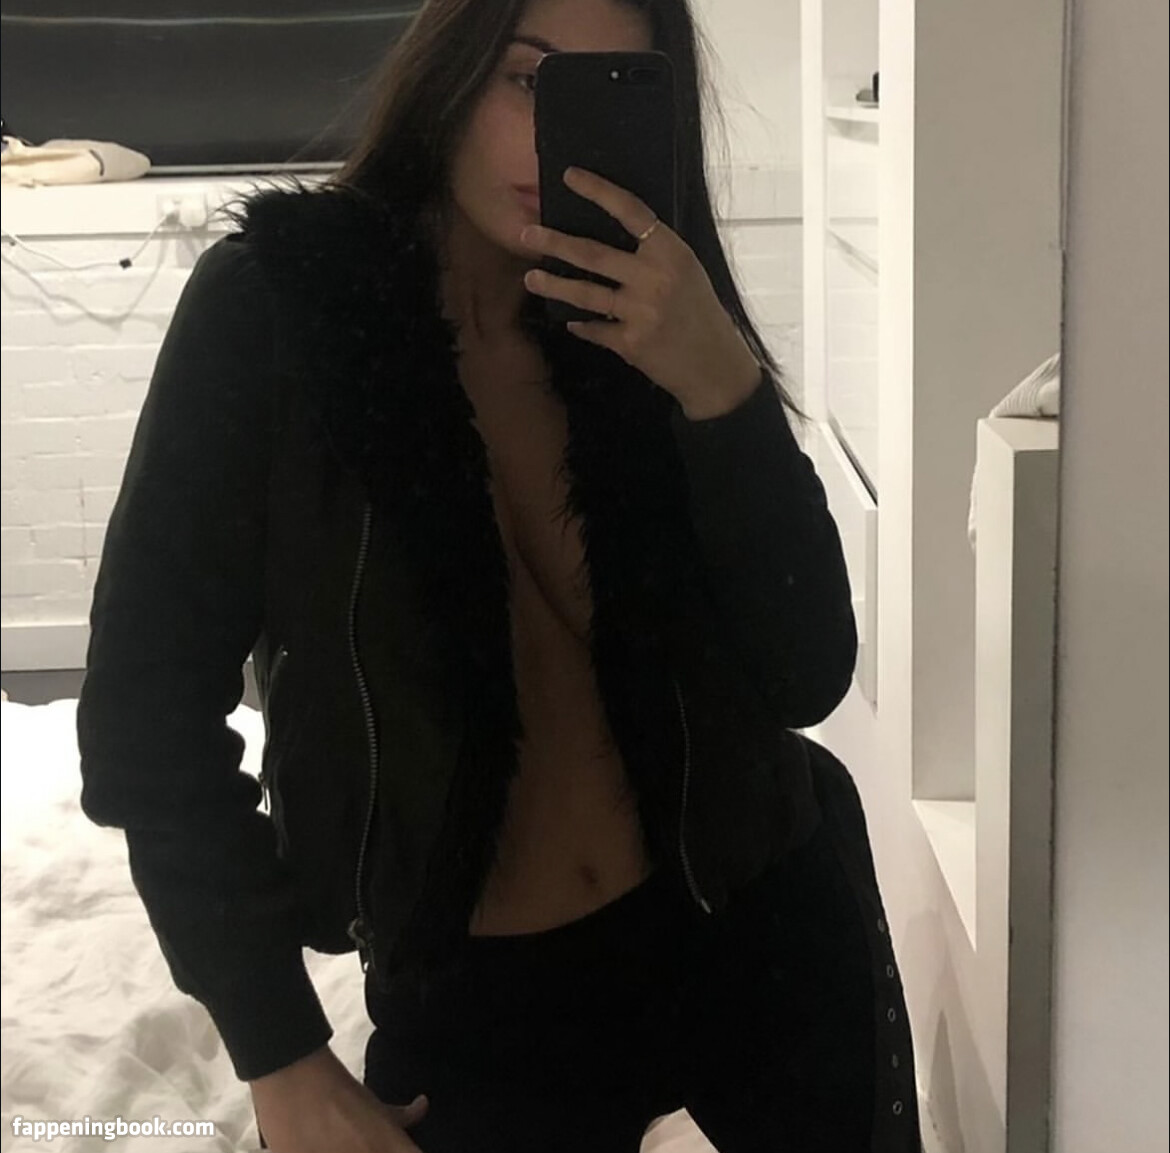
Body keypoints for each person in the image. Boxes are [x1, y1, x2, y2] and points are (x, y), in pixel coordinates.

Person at [77, 0, 922, 1149]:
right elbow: (144, 721)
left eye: (611, 93)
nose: (549, 142)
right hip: (481, 993)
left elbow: (807, 671)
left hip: (757, 912)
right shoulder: (281, 313)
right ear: (451, 72)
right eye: (528, 80)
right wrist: (277, 1051)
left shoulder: (650, 312)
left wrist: (726, 392)